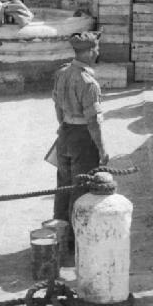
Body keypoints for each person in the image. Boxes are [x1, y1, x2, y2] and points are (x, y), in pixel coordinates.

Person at [51, 32, 109, 231]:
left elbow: (57, 105)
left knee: (63, 184)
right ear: (91, 51)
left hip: (65, 132)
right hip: (82, 136)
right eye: (97, 48)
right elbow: (93, 121)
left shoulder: (62, 73)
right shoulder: (88, 82)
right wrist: (102, 149)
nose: (98, 52)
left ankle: (58, 229)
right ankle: (74, 237)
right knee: (80, 187)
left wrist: (63, 125)